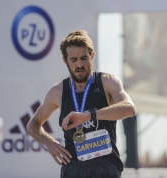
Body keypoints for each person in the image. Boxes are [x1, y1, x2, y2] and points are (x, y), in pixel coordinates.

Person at [27, 30, 135, 178]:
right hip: (74, 169)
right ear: (65, 60)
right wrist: (49, 143)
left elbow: (129, 109)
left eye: (84, 58)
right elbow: (33, 124)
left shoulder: (107, 82)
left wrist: (89, 115)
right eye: (74, 59)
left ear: (92, 56)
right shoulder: (58, 91)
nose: (79, 64)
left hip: (106, 168)